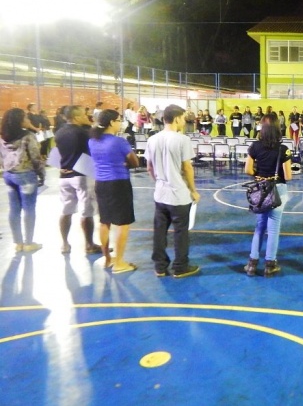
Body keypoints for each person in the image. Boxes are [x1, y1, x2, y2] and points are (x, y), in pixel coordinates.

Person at [146, 104, 201, 278]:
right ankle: (180, 266)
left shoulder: (152, 139)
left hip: (160, 193)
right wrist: (193, 190)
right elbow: (187, 167)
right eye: (183, 118)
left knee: (159, 231)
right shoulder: (182, 140)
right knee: (180, 232)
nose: (184, 121)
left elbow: (149, 167)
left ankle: (160, 266)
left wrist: (159, 181)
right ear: (177, 119)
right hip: (178, 194)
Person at [89, 109, 140, 273]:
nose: (121, 123)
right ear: (111, 122)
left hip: (101, 183)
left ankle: (107, 259)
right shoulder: (119, 142)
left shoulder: (93, 141)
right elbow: (135, 162)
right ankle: (119, 263)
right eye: (119, 120)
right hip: (118, 183)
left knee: (104, 222)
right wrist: (125, 163)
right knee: (123, 224)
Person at [243, 114, 293, 277]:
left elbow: (248, 169)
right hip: (278, 189)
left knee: (260, 226)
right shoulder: (283, 149)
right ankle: (270, 264)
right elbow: (288, 176)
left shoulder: (255, 147)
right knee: (273, 228)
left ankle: (252, 263)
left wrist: (258, 175)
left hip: (261, 189)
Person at [54, 105, 100, 255]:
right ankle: (89, 244)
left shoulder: (59, 132)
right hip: (82, 174)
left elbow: (57, 153)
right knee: (87, 211)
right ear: (76, 117)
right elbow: (94, 149)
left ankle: (64, 244)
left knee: (66, 210)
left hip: (64, 175)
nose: (87, 116)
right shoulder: (83, 133)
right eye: (84, 114)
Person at [0, 108, 45, 253]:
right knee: (29, 208)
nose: (28, 120)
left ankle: (18, 243)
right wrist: (41, 174)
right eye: (25, 118)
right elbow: (35, 157)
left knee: (14, 209)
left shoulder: (3, 136)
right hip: (26, 175)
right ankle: (29, 243)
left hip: (8, 175)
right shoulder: (28, 136)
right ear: (19, 121)